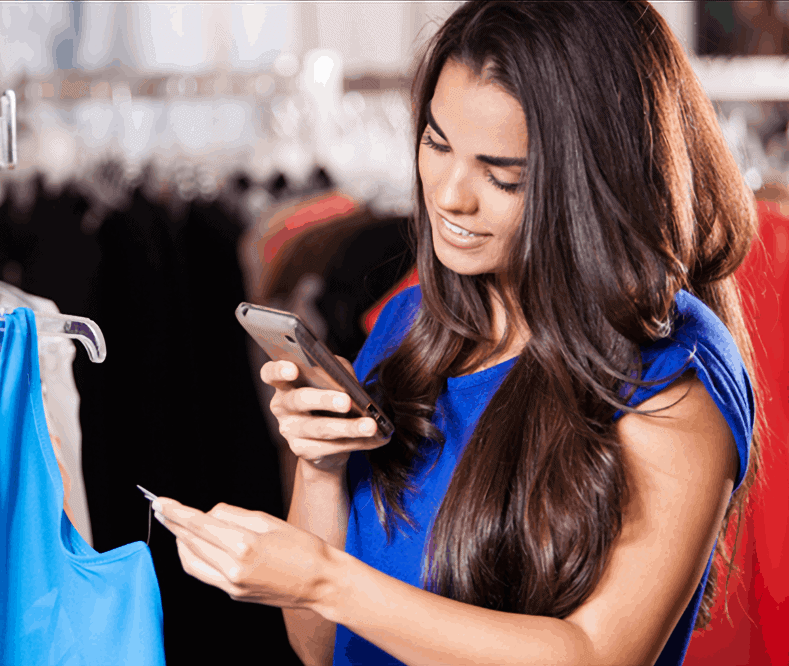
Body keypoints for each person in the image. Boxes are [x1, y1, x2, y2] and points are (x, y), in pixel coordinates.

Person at [151, 2, 763, 665]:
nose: (449, 196)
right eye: (436, 144)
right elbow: (323, 645)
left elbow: (596, 653)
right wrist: (322, 468)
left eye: (503, 175)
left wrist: (324, 578)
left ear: (595, 181)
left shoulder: (674, 376)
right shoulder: (409, 328)